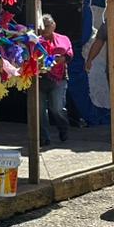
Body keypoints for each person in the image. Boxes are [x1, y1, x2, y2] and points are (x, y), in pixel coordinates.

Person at [39, 14, 72, 145]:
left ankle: (63, 128)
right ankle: (43, 137)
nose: (44, 29)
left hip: (59, 78)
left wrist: (61, 59)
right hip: (39, 78)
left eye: (47, 26)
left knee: (57, 108)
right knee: (39, 111)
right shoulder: (35, 40)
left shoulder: (63, 39)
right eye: (42, 27)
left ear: (53, 25)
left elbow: (69, 54)